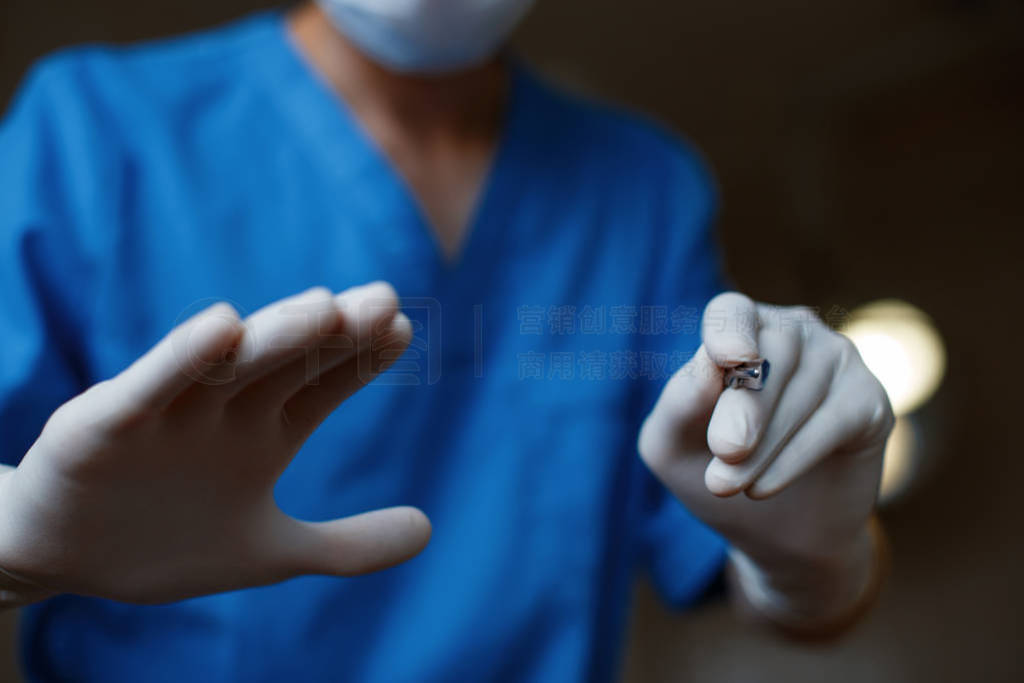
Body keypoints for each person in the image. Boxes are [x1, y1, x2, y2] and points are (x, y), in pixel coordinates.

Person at [0, 1, 893, 680]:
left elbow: (755, 563)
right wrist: (14, 551)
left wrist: (814, 558)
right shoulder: (94, 132)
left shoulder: (640, 194)